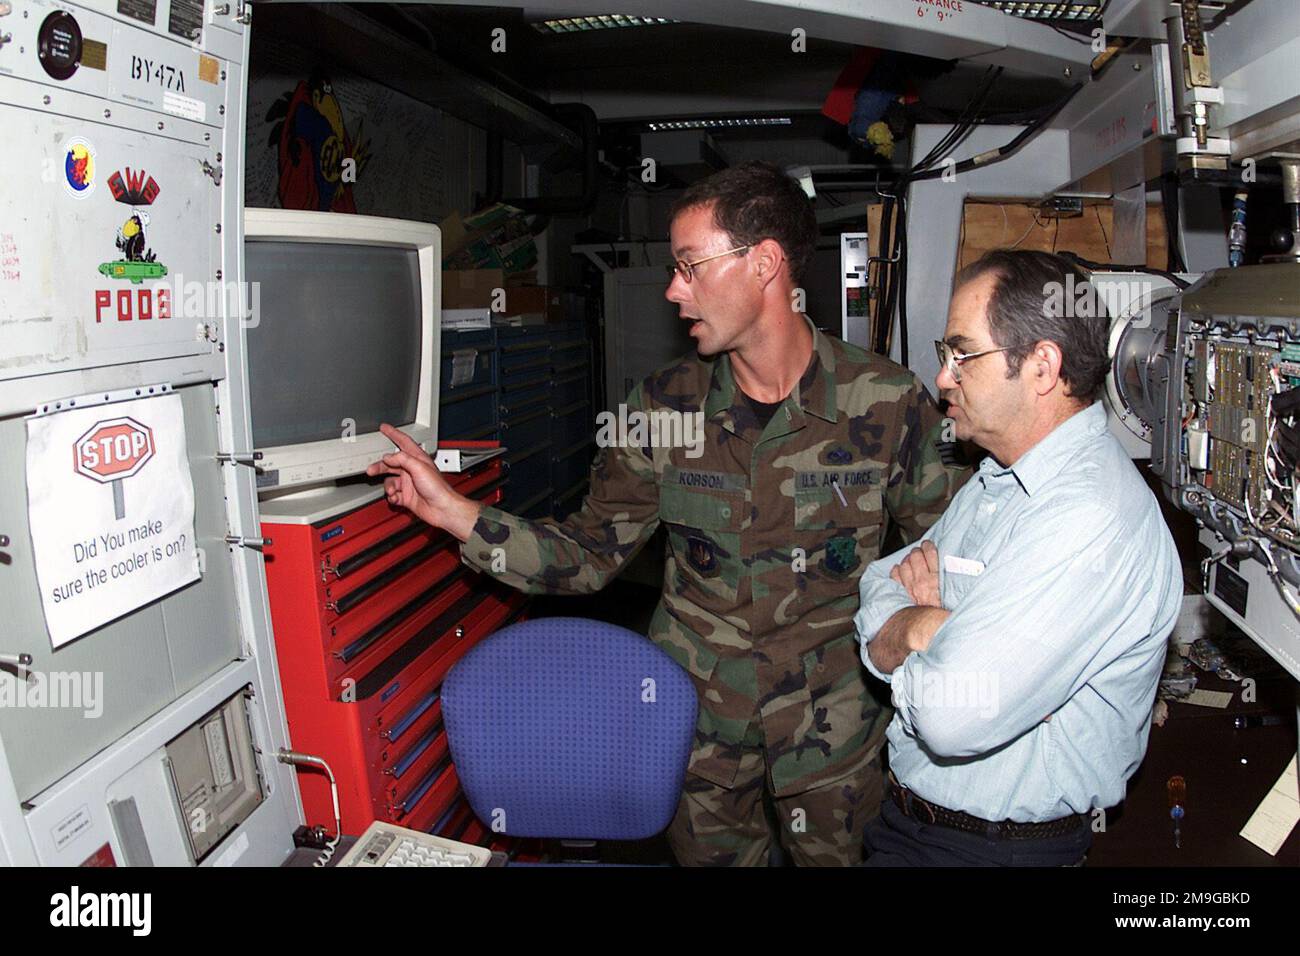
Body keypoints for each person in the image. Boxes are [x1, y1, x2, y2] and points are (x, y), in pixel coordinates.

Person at [369, 160, 967, 865]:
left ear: (765, 264)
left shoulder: (889, 403)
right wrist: (456, 515)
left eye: (689, 265)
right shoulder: (659, 411)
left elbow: (951, 559)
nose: (673, 289)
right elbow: (589, 556)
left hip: (834, 737)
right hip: (700, 734)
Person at [855, 249, 1182, 866]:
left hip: (993, 853)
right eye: (943, 354)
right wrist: (923, 625)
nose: (944, 377)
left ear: (1041, 365)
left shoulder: (1090, 516)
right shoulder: (996, 481)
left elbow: (954, 716)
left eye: (962, 354)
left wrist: (926, 626)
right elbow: (879, 582)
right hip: (908, 822)